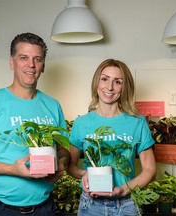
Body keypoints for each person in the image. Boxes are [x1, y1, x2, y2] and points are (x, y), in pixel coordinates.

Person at [0, 32, 70, 216]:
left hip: (45, 207)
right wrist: (13, 170)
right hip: (0, 209)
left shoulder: (52, 105)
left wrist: (62, 166)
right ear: (12, 62)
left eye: (37, 59)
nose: (31, 65)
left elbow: (63, 150)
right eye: (23, 58)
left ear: (43, 66)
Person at [67, 59, 156, 216]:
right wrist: (83, 174)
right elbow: (70, 165)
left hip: (127, 205)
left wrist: (123, 190)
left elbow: (149, 170)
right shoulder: (81, 123)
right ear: (97, 82)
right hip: (90, 204)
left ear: (125, 87)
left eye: (118, 82)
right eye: (104, 79)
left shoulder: (137, 122)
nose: (110, 87)